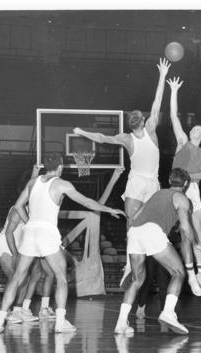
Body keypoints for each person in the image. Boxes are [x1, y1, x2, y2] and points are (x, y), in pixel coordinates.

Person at [0, 153, 125, 334]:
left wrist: (29, 221)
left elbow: (18, 205)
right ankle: (60, 322)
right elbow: (86, 202)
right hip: (47, 232)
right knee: (60, 277)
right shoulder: (62, 184)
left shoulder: (33, 182)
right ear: (60, 166)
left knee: (18, 277)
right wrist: (109, 209)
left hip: (30, 232)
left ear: (45, 166)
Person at [73, 58, 171, 286]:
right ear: (144, 120)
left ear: (130, 124)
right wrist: (162, 77)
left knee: (132, 223)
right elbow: (157, 102)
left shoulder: (126, 138)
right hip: (152, 184)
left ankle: (130, 261)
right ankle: (142, 261)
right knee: (152, 224)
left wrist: (82, 132)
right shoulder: (151, 130)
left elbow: (100, 138)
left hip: (138, 183)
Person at [114, 168, 201, 335]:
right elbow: (185, 228)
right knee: (178, 272)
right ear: (185, 184)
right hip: (152, 231)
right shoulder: (182, 198)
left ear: (170, 181)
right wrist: (197, 242)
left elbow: (134, 216)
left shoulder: (157, 194)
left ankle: (121, 323)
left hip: (134, 232)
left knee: (136, 280)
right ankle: (168, 313)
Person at [0, 165, 55, 322]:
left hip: (17, 245)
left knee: (24, 279)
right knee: (15, 278)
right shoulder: (18, 208)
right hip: (5, 244)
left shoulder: (32, 209)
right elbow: (8, 234)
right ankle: (6, 313)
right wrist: (15, 254)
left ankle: (17, 311)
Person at [167, 77, 201, 296]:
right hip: (176, 191)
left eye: (197, 129)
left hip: (192, 189)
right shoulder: (182, 141)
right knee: (185, 235)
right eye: (193, 127)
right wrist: (174, 91)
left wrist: (187, 175)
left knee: (197, 233)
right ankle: (191, 276)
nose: (193, 129)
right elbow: (174, 116)